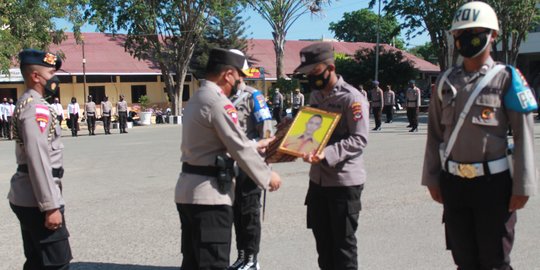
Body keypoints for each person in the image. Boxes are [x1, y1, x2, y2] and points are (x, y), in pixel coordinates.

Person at [422, 2, 538, 269]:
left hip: (494, 186)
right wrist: (432, 178)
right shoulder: (445, 81)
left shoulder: (506, 79)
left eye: (475, 31)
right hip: (454, 183)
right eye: (459, 33)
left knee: (495, 260)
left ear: (493, 35)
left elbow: (523, 137)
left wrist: (523, 185)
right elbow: (434, 136)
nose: (466, 37)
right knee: (464, 260)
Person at [175, 48, 282, 270]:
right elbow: (237, 147)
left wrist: (257, 144)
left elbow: (221, 144)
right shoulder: (218, 102)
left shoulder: (197, 98)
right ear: (228, 74)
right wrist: (267, 175)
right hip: (210, 196)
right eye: (239, 75)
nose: (241, 80)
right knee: (213, 262)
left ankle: (249, 257)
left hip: (188, 191)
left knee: (193, 262)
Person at [294, 42, 370, 270]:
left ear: (330, 67)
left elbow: (359, 139)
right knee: (324, 246)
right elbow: (312, 131)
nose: (310, 78)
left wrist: (325, 153)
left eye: (314, 71)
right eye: (307, 73)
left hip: (343, 182)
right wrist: (294, 136)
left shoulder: (352, 98)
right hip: (318, 181)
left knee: (343, 247)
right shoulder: (316, 96)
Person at [9, 49, 72, 270]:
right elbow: (38, 159)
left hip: (27, 194)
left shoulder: (27, 102)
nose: (55, 78)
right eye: (51, 72)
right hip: (38, 199)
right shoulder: (37, 108)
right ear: (36, 76)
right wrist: (50, 206)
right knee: (57, 262)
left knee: (36, 261)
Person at [228, 57, 274, 270]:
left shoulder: (253, 97)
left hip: (250, 164)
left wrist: (260, 157)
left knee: (249, 214)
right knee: (236, 213)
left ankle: (252, 259)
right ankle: (242, 255)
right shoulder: (224, 97)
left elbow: (266, 131)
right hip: (230, 166)